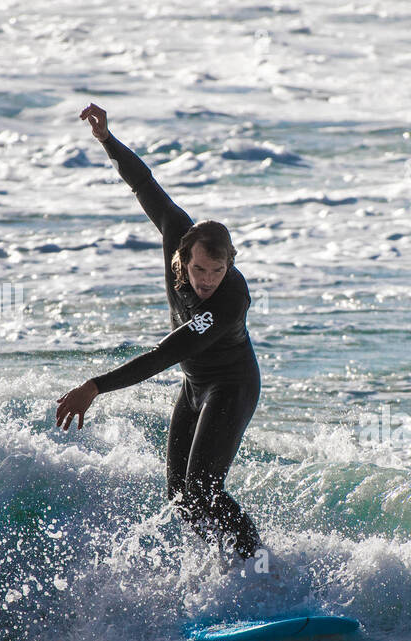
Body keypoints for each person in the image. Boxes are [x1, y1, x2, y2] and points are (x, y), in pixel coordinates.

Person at [56, 103, 263, 562]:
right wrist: (108, 140)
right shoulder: (177, 233)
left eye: (218, 269)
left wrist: (95, 387)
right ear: (183, 258)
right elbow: (144, 183)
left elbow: (166, 353)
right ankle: (227, 567)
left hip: (231, 387)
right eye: (199, 270)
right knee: (181, 497)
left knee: (206, 488)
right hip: (194, 387)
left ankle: (261, 566)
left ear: (230, 262)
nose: (206, 280)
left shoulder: (231, 300)